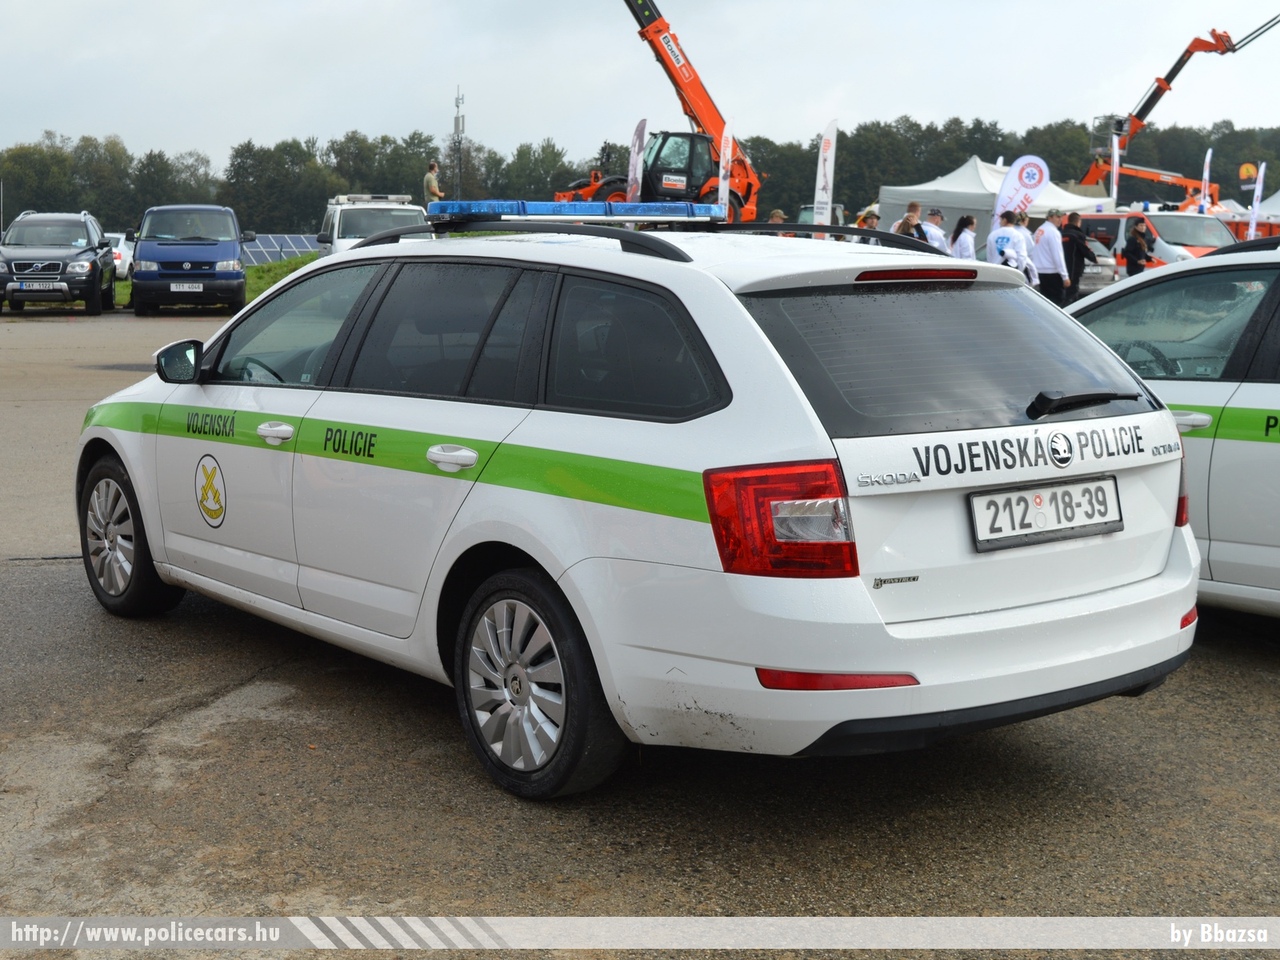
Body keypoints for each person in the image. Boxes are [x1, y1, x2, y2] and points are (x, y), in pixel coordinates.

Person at [1030, 208, 1072, 306]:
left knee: (1044, 304)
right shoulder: (1053, 232)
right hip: (1052, 273)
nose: (1060, 219)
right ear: (1049, 218)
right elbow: (1058, 255)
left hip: (1039, 271)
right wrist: (1065, 276)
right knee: (1057, 304)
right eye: (1057, 217)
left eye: (1061, 217)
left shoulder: (1039, 230)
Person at [1061, 212, 1097, 305]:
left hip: (1060, 268)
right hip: (1074, 268)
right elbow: (1084, 249)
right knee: (1072, 293)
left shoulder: (1061, 233)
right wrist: (1093, 258)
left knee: (1062, 293)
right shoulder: (1078, 235)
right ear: (1078, 222)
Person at [987, 210, 1032, 281]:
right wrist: (1019, 272)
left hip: (995, 273)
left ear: (1004, 220)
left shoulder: (992, 235)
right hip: (1011, 273)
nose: (999, 222)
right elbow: (1022, 257)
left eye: (1000, 220)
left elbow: (989, 256)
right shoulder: (1018, 235)